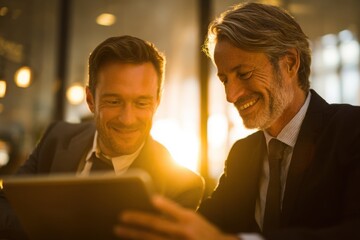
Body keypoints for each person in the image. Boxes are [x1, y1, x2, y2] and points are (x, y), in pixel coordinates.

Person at [113, 2, 360, 240]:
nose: (231, 95)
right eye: (225, 80)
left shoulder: (351, 131)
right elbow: (204, 227)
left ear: (290, 63)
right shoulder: (243, 154)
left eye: (244, 74)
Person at [0, 35, 204, 238]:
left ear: (157, 101)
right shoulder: (56, 138)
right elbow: (4, 206)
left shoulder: (182, 186)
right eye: (114, 101)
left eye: (142, 103)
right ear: (90, 100)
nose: (127, 119)